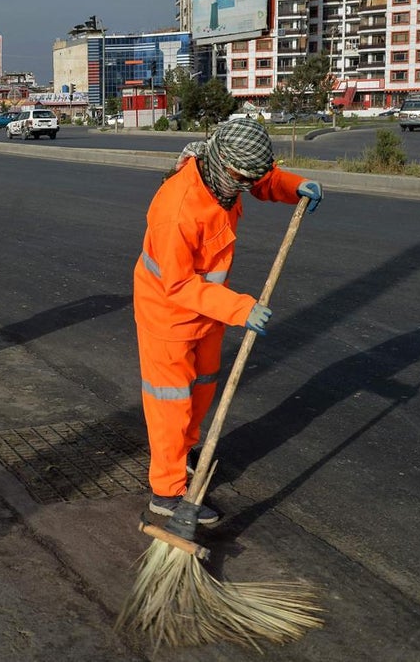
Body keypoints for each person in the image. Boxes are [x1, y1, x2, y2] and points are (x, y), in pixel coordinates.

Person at [133, 118, 322, 531]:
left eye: (247, 178)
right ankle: (167, 491)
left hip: (208, 309)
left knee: (202, 388)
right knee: (171, 401)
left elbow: (260, 179)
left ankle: (186, 452)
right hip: (169, 312)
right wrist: (240, 309)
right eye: (239, 177)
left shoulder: (224, 175)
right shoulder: (177, 209)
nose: (244, 185)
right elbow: (179, 284)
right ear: (221, 163)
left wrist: (294, 188)